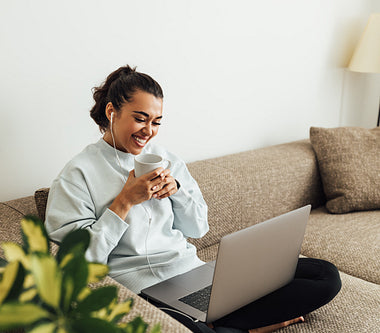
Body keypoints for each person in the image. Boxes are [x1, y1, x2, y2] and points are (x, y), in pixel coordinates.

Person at [45, 65, 341, 333]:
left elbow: (199, 228)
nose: (148, 131)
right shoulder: (77, 175)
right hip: (145, 290)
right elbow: (75, 264)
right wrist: (123, 202)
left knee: (324, 276)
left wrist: (178, 191)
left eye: (157, 122)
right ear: (111, 112)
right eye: (140, 119)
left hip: (194, 275)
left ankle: (218, 324)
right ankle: (243, 327)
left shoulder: (167, 160)